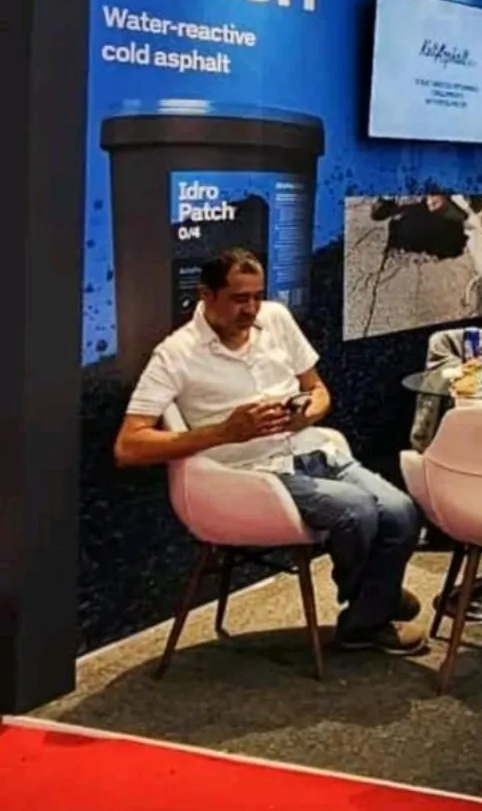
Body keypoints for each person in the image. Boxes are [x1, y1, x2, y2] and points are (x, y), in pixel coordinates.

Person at [114, 249, 426, 655]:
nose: (251, 309)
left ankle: (372, 605)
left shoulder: (276, 318)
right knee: (357, 510)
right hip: (254, 475)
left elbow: (318, 390)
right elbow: (128, 446)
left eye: (257, 297)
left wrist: (305, 414)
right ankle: (373, 611)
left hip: (312, 449)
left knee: (402, 512)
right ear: (206, 295)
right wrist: (225, 432)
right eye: (239, 299)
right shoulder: (175, 354)